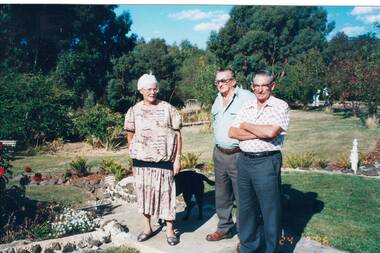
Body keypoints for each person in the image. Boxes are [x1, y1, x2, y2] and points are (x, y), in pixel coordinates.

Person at [229, 70, 289, 253]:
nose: (260, 89)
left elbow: (271, 133)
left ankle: (271, 249)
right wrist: (259, 131)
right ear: (252, 87)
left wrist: (246, 125)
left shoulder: (281, 106)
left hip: (266, 162)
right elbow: (232, 132)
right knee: (246, 209)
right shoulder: (246, 106)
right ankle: (249, 247)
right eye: (257, 85)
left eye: (265, 85)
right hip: (244, 161)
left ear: (272, 86)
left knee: (269, 209)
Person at [124, 73, 182, 246]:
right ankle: (147, 228)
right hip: (141, 163)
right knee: (144, 196)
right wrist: (133, 154)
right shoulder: (134, 110)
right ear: (141, 90)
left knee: (167, 196)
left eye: (155, 88)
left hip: (164, 162)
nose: (152, 92)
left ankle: (170, 231)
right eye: (149, 89)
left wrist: (178, 158)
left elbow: (178, 135)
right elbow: (130, 134)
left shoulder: (168, 108)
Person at [206, 70, 255, 242]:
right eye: (217, 81)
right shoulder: (218, 99)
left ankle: (245, 236)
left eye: (223, 81)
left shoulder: (247, 97)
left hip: (238, 154)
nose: (220, 84)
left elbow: (257, 120)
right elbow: (214, 121)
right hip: (219, 154)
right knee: (222, 194)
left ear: (233, 81)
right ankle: (224, 228)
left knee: (242, 197)